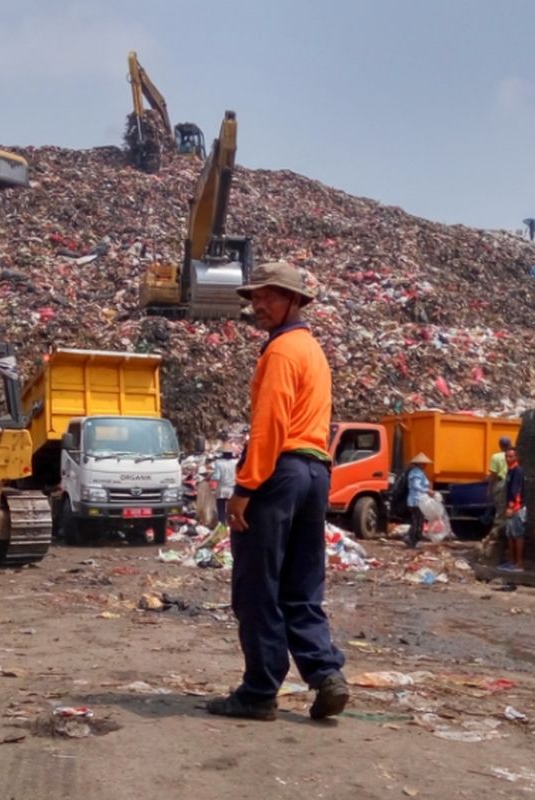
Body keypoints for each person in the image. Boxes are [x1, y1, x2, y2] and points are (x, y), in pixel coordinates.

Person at [210, 261, 348, 723]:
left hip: (281, 472)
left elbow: (269, 425)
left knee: (257, 586)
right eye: (254, 298)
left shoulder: (283, 352)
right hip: (315, 472)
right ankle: (326, 674)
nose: (259, 305)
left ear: (295, 301)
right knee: (302, 584)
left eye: (269, 296)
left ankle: (258, 692)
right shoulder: (313, 350)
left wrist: (245, 487)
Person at [501, 449, 526, 571]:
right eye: (506, 456)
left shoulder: (517, 471)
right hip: (511, 507)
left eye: (511, 456)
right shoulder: (510, 471)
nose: (508, 459)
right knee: (510, 535)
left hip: (517, 508)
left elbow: (516, 491)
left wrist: (512, 507)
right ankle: (512, 561)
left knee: (518, 535)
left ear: (516, 457)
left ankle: (519, 563)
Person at [404, 452, 433, 549]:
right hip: (416, 501)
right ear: (419, 464)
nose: (425, 466)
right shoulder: (416, 473)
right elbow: (416, 486)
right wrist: (427, 491)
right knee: (418, 521)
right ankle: (412, 539)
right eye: (424, 464)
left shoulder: (417, 472)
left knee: (418, 521)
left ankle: (412, 539)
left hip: (418, 500)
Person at [211, 446, 239, 528]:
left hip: (221, 489)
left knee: (221, 509)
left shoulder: (218, 463)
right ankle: (231, 525)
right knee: (231, 510)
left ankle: (222, 526)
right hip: (232, 489)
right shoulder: (236, 462)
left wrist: (210, 477)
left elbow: (217, 477)